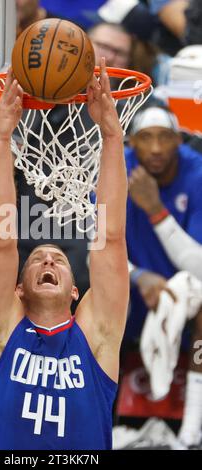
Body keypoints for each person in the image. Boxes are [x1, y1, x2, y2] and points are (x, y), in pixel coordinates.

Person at [0, 60, 129, 450]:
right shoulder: (0, 332)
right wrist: (0, 138)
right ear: (18, 290)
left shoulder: (96, 336)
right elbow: (1, 239)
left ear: (77, 292)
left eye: (58, 260)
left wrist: (111, 137)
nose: (47, 261)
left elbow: (110, 239)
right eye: (38, 259)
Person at [125, 105, 202, 449]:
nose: (156, 149)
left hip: (186, 298)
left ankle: (190, 436)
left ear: (180, 141)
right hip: (130, 290)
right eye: (146, 138)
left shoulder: (197, 174)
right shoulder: (114, 169)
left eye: (165, 138)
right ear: (130, 143)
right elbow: (91, 244)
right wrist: (138, 276)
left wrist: (156, 210)